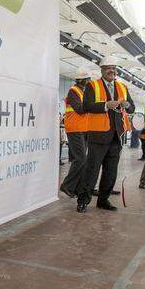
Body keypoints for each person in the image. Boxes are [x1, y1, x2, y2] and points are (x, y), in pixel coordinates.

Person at [75, 56, 134, 212]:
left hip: (117, 135)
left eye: (114, 68)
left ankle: (103, 200)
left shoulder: (122, 87)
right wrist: (106, 105)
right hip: (98, 134)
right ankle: (83, 200)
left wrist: (127, 105)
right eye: (108, 67)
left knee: (111, 171)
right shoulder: (92, 86)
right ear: (102, 70)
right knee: (92, 169)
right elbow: (86, 106)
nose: (111, 70)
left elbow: (132, 108)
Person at [59, 66, 93, 198]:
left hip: (84, 128)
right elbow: (79, 109)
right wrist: (92, 105)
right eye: (88, 79)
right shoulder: (73, 91)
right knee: (81, 159)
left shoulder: (83, 91)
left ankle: (78, 188)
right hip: (75, 128)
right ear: (82, 80)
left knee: (82, 160)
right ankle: (66, 186)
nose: (90, 81)